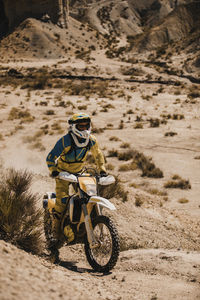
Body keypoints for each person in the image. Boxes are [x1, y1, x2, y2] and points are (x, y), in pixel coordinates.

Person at [46, 112, 107, 261]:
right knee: (62, 202)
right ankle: (55, 235)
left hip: (80, 172)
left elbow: (98, 155)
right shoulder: (65, 141)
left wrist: (102, 170)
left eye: (86, 125)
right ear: (74, 126)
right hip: (63, 174)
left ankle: (83, 225)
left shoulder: (91, 140)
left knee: (87, 197)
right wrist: (54, 171)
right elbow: (50, 157)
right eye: (81, 125)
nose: (84, 128)